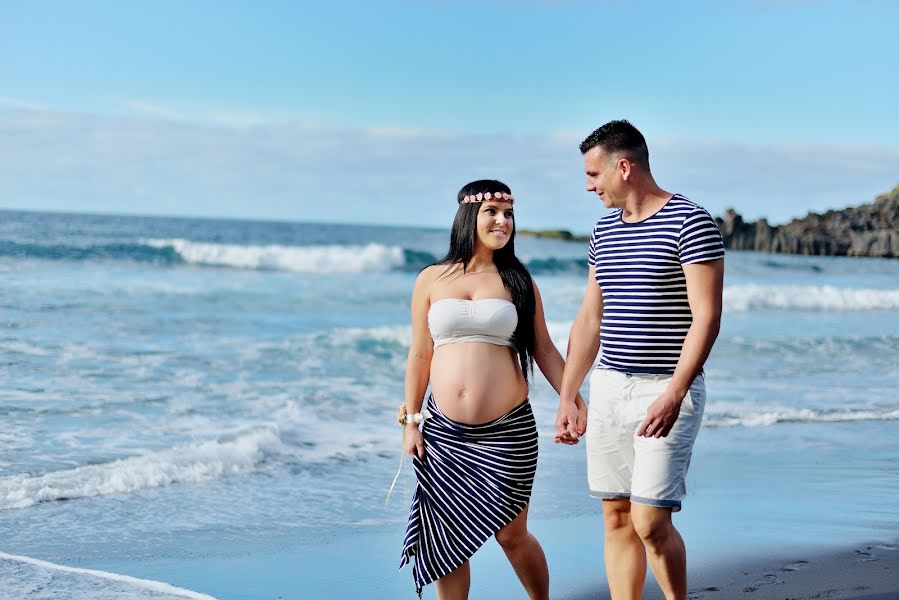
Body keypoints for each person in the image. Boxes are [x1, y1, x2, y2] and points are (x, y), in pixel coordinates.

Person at [555, 120, 725, 600]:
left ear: (623, 167)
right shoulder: (603, 229)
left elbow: (707, 318)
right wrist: (569, 394)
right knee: (615, 517)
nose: (589, 186)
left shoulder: (691, 222)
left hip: (666, 388)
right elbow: (590, 317)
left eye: (594, 175)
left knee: (650, 520)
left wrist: (674, 393)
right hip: (610, 386)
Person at [398, 180, 586, 599]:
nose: (503, 221)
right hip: (444, 433)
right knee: (447, 544)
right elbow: (419, 355)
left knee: (512, 536)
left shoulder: (517, 280)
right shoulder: (430, 279)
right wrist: (411, 421)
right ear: (470, 216)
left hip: (508, 432)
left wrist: (571, 398)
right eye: (493, 213)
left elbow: (544, 349)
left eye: (509, 214)